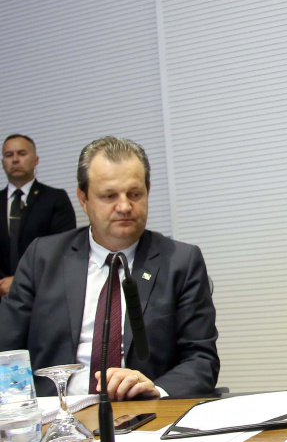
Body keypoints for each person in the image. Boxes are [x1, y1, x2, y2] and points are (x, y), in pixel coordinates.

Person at [0, 136, 219, 399]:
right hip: (56, 417)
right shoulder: (43, 257)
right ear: (84, 199)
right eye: (109, 195)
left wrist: (156, 390)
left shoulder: (180, 261)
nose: (125, 206)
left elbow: (201, 359)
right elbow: (6, 349)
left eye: (135, 194)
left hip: (143, 415)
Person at [0, 134, 76, 296]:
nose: (15, 159)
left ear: (36, 160)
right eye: (8, 155)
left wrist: (21, 281)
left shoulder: (55, 198)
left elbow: (63, 250)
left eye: (21, 153)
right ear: (2, 163)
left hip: (42, 295)